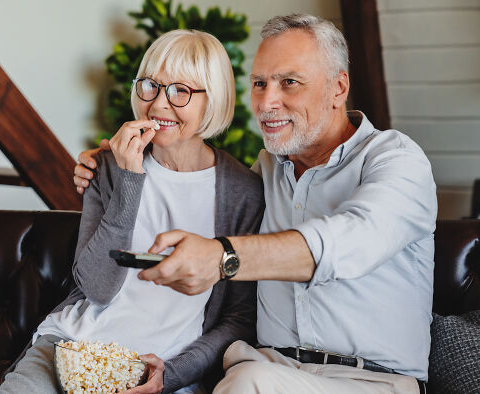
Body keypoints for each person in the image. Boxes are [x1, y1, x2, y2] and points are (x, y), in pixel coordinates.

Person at [74, 14, 436, 394]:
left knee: (251, 382)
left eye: (289, 83)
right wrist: (104, 168)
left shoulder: (397, 161)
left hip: (369, 380)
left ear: (338, 88)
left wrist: (221, 256)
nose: (267, 101)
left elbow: (349, 240)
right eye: (260, 83)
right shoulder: (263, 174)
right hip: (265, 366)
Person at [0, 30, 264, 394]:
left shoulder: (244, 193)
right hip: (70, 347)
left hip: (158, 370)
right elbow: (96, 288)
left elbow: (238, 319)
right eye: (150, 86)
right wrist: (129, 178)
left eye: (180, 91)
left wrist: (173, 373)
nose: (158, 105)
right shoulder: (107, 166)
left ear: (212, 100)